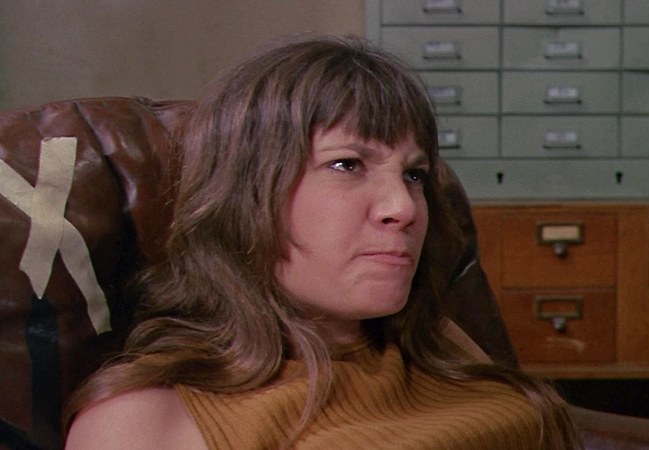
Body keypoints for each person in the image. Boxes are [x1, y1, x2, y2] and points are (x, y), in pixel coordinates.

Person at [64, 34, 580, 449]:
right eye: (347, 164)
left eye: (415, 174)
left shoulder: (436, 342)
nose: (403, 207)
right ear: (246, 195)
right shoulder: (143, 422)